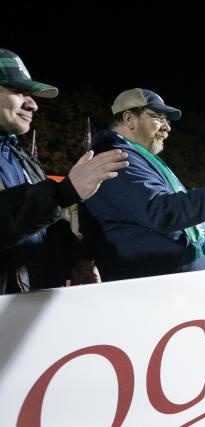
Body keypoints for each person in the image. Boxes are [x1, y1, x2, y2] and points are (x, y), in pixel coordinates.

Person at [80, 88, 205, 281]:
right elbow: (162, 210)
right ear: (129, 119)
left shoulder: (138, 157)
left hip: (172, 291)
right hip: (155, 294)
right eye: (158, 117)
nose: (167, 127)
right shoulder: (116, 158)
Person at [0, 48, 128, 294]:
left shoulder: (22, 157)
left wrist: (76, 260)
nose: (33, 104)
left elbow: (48, 226)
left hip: (32, 310)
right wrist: (64, 191)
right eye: (19, 91)